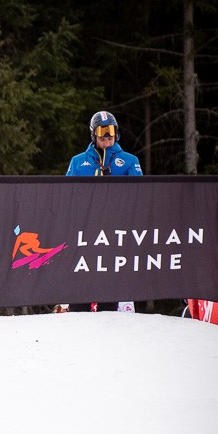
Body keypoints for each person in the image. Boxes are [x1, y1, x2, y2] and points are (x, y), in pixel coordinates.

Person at [64, 110, 141, 312]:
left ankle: (109, 318)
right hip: (86, 232)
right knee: (81, 283)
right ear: (93, 135)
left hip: (114, 232)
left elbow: (139, 196)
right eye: (102, 133)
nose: (107, 138)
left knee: (109, 288)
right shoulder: (79, 162)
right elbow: (67, 195)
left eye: (110, 133)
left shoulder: (129, 161)